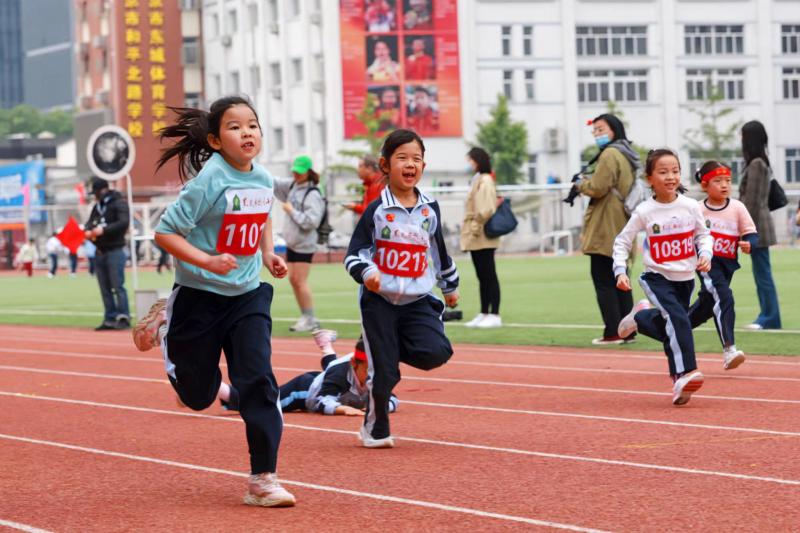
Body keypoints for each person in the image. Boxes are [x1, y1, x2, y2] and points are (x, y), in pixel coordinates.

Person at [132, 96, 295, 507]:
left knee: (258, 380)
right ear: (216, 141)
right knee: (198, 396)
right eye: (235, 127)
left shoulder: (262, 178)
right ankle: (167, 328)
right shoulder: (209, 181)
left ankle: (263, 478)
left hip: (247, 296)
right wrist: (206, 260)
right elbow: (165, 233)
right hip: (199, 298)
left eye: (252, 125)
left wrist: (268, 253)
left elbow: (261, 214)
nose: (247, 133)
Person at [344, 128, 459, 448]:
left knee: (436, 352)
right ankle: (375, 429)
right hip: (379, 300)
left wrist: (449, 285)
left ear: (424, 166)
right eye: (402, 158)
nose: (410, 165)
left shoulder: (430, 208)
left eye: (417, 159)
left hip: (417, 299)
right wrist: (368, 272)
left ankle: (386, 350)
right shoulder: (377, 210)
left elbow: (439, 251)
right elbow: (354, 254)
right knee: (384, 374)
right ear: (385, 165)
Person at [613, 148, 713, 406]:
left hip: (685, 278)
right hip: (656, 277)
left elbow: (703, 235)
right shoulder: (645, 211)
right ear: (650, 178)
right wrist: (620, 270)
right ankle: (686, 373)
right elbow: (622, 241)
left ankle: (641, 318)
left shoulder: (690, 206)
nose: (671, 177)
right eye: (663, 172)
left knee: (674, 327)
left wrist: (705, 253)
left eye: (675, 171)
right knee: (678, 319)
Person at [573, 114, 640, 345]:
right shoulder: (626, 153)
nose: (596, 134)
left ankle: (612, 331)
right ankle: (628, 330)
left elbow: (599, 187)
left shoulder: (610, 154)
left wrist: (581, 184)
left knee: (603, 279)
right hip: (621, 220)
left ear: (614, 130)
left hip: (606, 223)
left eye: (601, 129)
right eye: (595, 130)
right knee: (620, 278)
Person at [220, 330, 399, 416]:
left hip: (330, 378)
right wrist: (343, 409)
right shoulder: (340, 373)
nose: (371, 375)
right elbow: (322, 401)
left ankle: (326, 344)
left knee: (332, 374)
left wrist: (381, 407)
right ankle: (218, 388)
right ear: (354, 364)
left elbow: (393, 399)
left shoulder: (375, 372)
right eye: (367, 370)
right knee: (265, 404)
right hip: (304, 389)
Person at [686, 161, 758, 370]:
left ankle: (655, 324)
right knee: (724, 296)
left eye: (727, 180)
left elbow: (751, 233)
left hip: (728, 265)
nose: (724, 185)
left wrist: (749, 244)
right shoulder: (697, 209)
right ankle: (729, 349)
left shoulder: (737, 207)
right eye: (718, 181)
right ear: (704, 185)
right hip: (707, 264)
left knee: (707, 306)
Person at [273, 155, 326, 332]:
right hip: (292, 242)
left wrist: (291, 211)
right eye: (294, 171)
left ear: (309, 172)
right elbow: (273, 182)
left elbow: (312, 222)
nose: (296, 174)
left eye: (300, 172)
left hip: (304, 244)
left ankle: (310, 318)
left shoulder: (313, 194)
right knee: (293, 279)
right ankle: (306, 317)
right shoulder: (292, 185)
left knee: (300, 280)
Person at [739, 120, 781, 330]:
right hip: (759, 224)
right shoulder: (761, 162)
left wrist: (744, 228)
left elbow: (752, 201)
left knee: (763, 275)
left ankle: (769, 317)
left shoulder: (756, 164)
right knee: (762, 273)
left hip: (757, 227)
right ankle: (768, 315)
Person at [460, 147, 502, 328]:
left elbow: (487, 209)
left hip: (482, 234)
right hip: (476, 234)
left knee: (489, 275)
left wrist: (475, 227)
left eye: (471, 160)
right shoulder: (478, 179)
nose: (469, 164)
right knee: (482, 276)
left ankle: (495, 314)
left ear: (477, 160)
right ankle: (484, 312)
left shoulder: (485, 180)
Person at [84, 177, 131, 331]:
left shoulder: (119, 203)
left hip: (115, 250)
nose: (94, 196)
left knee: (118, 286)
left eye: (95, 193)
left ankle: (123, 317)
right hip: (99, 252)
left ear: (102, 190)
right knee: (105, 288)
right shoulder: (97, 207)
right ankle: (109, 318)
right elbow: (89, 223)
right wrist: (88, 231)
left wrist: (103, 230)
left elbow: (123, 222)